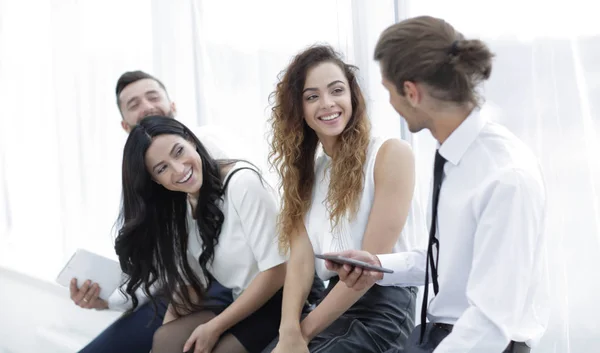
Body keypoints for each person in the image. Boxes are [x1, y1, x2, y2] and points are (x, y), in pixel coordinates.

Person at [325, 16, 549, 353]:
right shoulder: (454, 156)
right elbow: (443, 259)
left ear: (411, 92)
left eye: (388, 91)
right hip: (439, 336)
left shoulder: (505, 177)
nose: (388, 103)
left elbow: (489, 326)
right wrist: (375, 265)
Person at [264, 44, 423, 353]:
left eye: (336, 90)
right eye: (312, 97)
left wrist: (304, 333)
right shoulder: (309, 175)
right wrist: (288, 332)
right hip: (331, 303)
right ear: (299, 109)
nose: (327, 104)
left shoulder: (390, 153)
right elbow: (300, 264)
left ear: (352, 96)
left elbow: (368, 267)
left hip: (383, 307)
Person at [70, 70, 234, 353]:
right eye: (134, 104)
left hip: (220, 285)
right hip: (181, 286)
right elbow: (162, 270)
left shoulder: (207, 147)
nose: (146, 106)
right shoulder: (145, 183)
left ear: (173, 106)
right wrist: (107, 300)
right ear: (125, 125)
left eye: (153, 96)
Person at [115, 115, 288, 353]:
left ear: (191, 140)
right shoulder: (183, 206)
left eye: (178, 152)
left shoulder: (242, 183)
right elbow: (189, 286)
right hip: (242, 303)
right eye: (162, 168)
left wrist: (215, 327)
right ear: (154, 180)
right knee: (165, 339)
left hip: (284, 299)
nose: (179, 169)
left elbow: (277, 271)